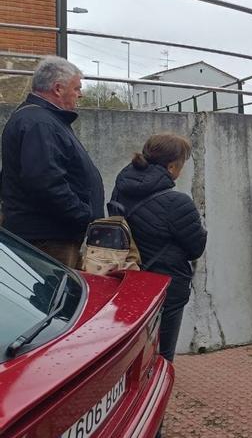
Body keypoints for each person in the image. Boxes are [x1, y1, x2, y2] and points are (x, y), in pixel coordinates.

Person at [110, 133, 207, 361]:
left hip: (128, 280)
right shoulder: (177, 202)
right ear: (172, 167)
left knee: (131, 353)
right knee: (161, 356)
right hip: (166, 286)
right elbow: (196, 248)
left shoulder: (121, 188)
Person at [1, 56, 104, 267]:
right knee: (55, 299)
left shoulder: (41, 119)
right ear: (58, 89)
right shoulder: (40, 123)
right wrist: (83, 215)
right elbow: (44, 181)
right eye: (76, 88)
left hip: (50, 235)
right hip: (48, 239)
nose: (80, 94)